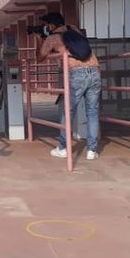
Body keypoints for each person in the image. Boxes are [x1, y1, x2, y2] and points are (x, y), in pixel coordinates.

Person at [33, 12, 102, 161]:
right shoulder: (74, 29)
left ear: (51, 25)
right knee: (92, 112)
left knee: (68, 112)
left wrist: (39, 38)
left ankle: (63, 148)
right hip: (95, 70)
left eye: (46, 25)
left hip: (76, 73)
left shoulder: (52, 38)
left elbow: (39, 57)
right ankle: (91, 150)